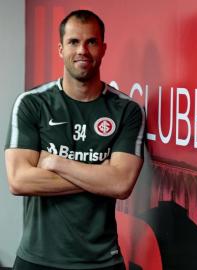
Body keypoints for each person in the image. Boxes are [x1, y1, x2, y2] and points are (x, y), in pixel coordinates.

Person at [4, 10, 145, 270]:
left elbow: (121, 184)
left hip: (102, 262)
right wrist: (101, 177)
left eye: (91, 42)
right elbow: (19, 180)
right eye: (73, 42)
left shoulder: (127, 110)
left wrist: (56, 162)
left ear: (103, 48)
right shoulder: (32, 103)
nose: (82, 50)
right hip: (37, 259)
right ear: (60, 49)